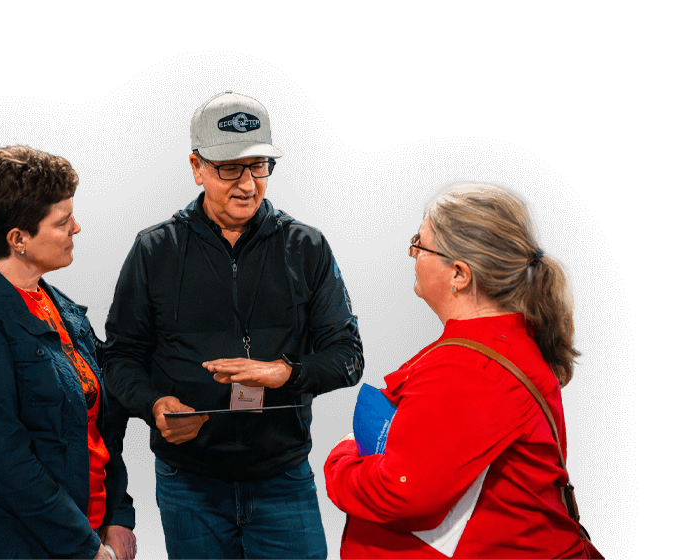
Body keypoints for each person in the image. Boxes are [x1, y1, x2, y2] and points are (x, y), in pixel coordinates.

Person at [101, 90, 363, 559]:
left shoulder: (308, 246)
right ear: (196, 167)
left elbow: (347, 356)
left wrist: (285, 373)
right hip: (188, 485)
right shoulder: (153, 250)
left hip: (284, 480)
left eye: (258, 165)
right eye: (229, 168)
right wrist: (154, 404)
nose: (247, 184)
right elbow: (120, 356)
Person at [324, 182, 587, 558]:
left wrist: (343, 457)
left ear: (460, 274)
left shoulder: (469, 369)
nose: (413, 254)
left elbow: (401, 494)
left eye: (421, 242)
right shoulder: (501, 346)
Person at [0, 145, 136, 560]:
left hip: (90, 536)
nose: (77, 228)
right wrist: (84, 547)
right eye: (63, 221)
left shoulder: (58, 306)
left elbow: (100, 426)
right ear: (18, 239)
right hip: (6, 545)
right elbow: (3, 463)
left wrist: (119, 517)